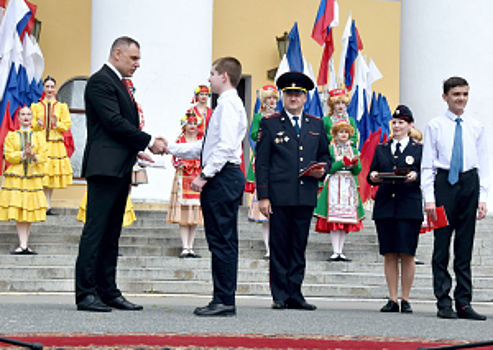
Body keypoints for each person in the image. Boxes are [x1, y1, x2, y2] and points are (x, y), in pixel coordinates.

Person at [75, 36, 165, 312]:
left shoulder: (120, 84)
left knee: (112, 232)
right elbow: (113, 122)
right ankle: (86, 293)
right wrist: (148, 141)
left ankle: (108, 291)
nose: (138, 64)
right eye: (133, 58)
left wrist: (137, 151)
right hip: (104, 168)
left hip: (119, 167)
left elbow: (117, 126)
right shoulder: (101, 81)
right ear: (117, 53)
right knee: (96, 231)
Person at [166, 57, 247, 317]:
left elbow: (223, 147)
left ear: (224, 76)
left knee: (222, 241)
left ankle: (224, 300)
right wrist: (170, 147)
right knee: (220, 240)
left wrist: (204, 175)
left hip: (222, 177)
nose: (209, 78)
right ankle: (222, 298)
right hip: (223, 176)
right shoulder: (225, 104)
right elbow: (205, 146)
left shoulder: (229, 105)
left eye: (212, 73)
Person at [255, 71, 331, 311]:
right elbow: (262, 163)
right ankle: (279, 294)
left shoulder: (316, 125)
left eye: (298, 94)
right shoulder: (270, 123)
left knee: (298, 246)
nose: (294, 98)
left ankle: (295, 293)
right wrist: (263, 196)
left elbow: (325, 156)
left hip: (305, 195)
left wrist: (324, 170)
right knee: (279, 246)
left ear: (305, 97)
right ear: (282, 97)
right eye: (289, 94)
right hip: (279, 196)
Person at [422, 77, 489, 321]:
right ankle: (443, 301)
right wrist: (429, 198)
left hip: (469, 183)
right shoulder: (435, 125)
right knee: (441, 246)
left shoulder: (476, 125)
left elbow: (483, 163)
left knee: (465, 246)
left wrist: (482, 196)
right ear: (445, 97)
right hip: (444, 186)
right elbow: (427, 164)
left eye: (464, 94)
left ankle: (464, 302)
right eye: (456, 94)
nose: (461, 98)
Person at [367, 105, 422, 314]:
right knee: (389, 253)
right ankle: (392, 298)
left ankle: (405, 298)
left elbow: (426, 175)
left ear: (410, 125)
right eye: (395, 122)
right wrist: (373, 176)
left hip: (408, 205)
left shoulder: (418, 149)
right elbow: (371, 172)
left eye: (401, 122)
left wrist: (415, 175)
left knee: (407, 253)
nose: (397, 126)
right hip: (386, 206)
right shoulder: (382, 148)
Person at [314, 120, 364, 262]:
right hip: (334, 183)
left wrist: (354, 163)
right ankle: (335, 250)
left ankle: (340, 250)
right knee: (334, 219)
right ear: (335, 134)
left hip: (348, 184)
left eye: (346, 132)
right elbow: (329, 168)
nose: (343, 134)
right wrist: (342, 162)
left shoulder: (353, 150)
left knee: (344, 220)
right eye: (341, 132)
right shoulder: (331, 149)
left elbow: (357, 171)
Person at [0, 106, 47, 255]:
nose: (26, 117)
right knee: (20, 209)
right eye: (23, 114)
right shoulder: (11, 136)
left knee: (29, 209)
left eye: (28, 114)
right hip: (17, 177)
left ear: (32, 117)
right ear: (18, 117)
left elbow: (44, 156)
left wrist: (33, 157)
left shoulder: (38, 136)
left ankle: (24, 243)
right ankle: (23, 244)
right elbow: (8, 155)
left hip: (32, 176)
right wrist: (23, 153)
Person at [245, 85, 279, 259]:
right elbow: (252, 135)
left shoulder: (281, 117)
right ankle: (268, 248)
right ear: (264, 100)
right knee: (265, 215)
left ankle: (276, 246)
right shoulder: (259, 116)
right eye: (269, 98)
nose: (272, 101)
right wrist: (261, 134)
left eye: (274, 98)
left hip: (278, 162)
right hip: (264, 158)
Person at [30, 76, 73, 216]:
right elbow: (31, 124)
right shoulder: (35, 106)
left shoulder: (61, 107)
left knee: (50, 175)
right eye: (47, 87)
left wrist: (57, 125)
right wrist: (38, 125)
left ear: (55, 88)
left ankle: (47, 205)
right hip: (40, 143)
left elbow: (66, 124)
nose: (49, 89)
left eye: (52, 87)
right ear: (43, 88)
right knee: (40, 174)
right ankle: (40, 204)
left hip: (55, 144)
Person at [167, 111, 204, 258]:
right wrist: (182, 162)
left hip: (196, 176)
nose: (193, 126)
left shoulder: (200, 140)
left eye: (195, 123)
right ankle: (184, 246)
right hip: (183, 176)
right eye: (190, 123)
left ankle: (191, 246)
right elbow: (174, 158)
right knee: (183, 213)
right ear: (185, 124)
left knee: (194, 212)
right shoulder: (179, 140)